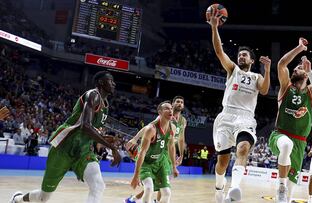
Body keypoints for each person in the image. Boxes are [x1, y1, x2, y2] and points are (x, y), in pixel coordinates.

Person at [10, 71, 121, 203]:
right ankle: (18, 200)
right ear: (101, 83)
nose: (114, 84)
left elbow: (91, 129)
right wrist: (112, 148)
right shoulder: (93, 95)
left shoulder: (105, 106)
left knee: (98, 185)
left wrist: (103, 137)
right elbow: (85, 125)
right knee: (43, 198)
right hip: (65, 145)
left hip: (83, 150)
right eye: (110, 81)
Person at [208, 9, 271, 203]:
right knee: (222, 162)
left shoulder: (257, 76)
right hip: (226, 117)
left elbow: (265, 90)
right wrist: (214, 28)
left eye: (245, 55)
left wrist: (267, 70)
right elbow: (219, 51)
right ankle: (220, 184)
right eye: (240, 55)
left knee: (243, 148)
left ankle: (235, 189)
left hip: (245, 117)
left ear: (252, 60)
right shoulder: (232, 70)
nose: (241, 57)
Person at [268, 38, 312, 203]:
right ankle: (280, 186)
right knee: (286, 145)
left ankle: (285, 197)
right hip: (280, 135)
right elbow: (281, 64)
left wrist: (310, 72)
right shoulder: (286, 87)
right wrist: (300, 48)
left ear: (306, 74)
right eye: (296, 67)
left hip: (300, 142)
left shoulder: (311, 93)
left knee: (291, 188)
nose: (297, 68)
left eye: (300, 67)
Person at [125, 96, 187, 203]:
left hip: (164, 154)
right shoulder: (158, 121)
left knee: (162, 188)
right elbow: (148, 127)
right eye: (177, 102)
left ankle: (136, 199)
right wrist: (135, 139)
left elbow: (180, 139)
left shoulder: (181, 121)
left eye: (182, 102)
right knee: (151, 186)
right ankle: (138, 199)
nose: (179, 104)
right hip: (155, 152)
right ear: (173, 104)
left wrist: (180, 155)